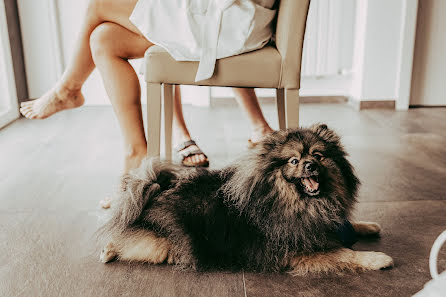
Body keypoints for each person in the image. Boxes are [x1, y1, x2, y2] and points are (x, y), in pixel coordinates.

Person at [19, 0, 275, 206]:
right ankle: (137, 153)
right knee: (104, 39)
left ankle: (68, 89)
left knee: (99, 4)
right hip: (221, 16)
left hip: (232, 20)